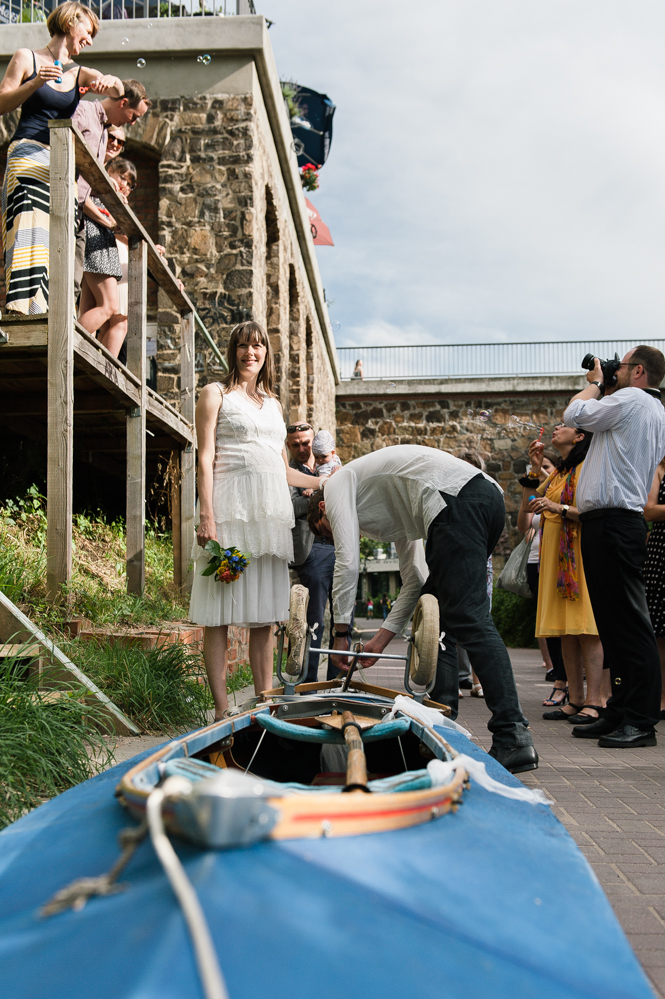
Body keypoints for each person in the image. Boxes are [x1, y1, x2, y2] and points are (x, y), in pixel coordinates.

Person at [307, 444, 537, 774]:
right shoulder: (390, 501)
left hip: (458, 500)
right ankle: (439, 730)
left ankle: (513, 735)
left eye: (327, 530)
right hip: (477, 500)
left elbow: (347, 561)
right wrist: (380, 641)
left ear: (324, 509)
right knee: (436, 618)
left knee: (468, 618)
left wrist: (340, 633)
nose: (335, 536)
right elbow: (415, 580)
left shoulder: (336, 484)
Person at [188, 322, 315, 719]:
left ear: (266, 354)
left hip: (269, 519)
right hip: (230, 515)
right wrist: (206, 514)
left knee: (264, 614)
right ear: (233, 351)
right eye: (243, 346)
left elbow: (284, 472)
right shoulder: (215, 394)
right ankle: (222, 710)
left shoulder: (275, 405)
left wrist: (325, 483)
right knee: (220, 612)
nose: (250, 353)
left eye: (257, 346)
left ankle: (265, 703)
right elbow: (204, 457)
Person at [564, 345, 665, 748]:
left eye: (620, 365)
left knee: (628, 623)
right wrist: (608, 383)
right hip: (613, 522)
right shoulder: (651, 408)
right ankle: (621, 710)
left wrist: (594, 383)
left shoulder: (633, 398)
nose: (612, 369)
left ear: (638, 371)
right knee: (614, 622)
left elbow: (576, 416)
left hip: (614, 522)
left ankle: (640, 720)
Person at [0, 1, 123, 314]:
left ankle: (53, 313)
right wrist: (36, 81)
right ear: (72, 22)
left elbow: (117, 87)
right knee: (29, 226)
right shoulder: (26, 57)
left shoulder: (78, 73)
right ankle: (22, 308)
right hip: (28, 156)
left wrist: (109, 82)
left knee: (58, 235)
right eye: (89, 31)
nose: (90, 40)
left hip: (60, 168)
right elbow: (2, 103)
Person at [520, 425, 606, 727]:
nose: (556, 427)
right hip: (557, 559)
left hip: (579, 557)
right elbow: (532, 499)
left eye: (564, 425)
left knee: (587, 628)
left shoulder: (588, 467)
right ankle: (576, 699)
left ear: (580, 436)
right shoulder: (560, 472)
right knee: (567, 631)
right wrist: (534, 468)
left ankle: (596, 701)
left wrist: (557, 506)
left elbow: (595, 511)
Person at [74, 79, 150, 334]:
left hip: (96, 233)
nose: (133, 122)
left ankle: (77, 352)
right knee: (109, 307)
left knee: (92, 305)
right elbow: (84, 193)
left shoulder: (103, 132)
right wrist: (108, 217)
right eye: (134, 115)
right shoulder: (85, 113)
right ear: (124, 102)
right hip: (91, 231)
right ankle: (70, 346)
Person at [286, 421, 343, 684]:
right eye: (295, 444)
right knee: (314, 618)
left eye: (305, 443)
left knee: (343, 618)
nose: (301, 448)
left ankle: (337, 681)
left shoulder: (333, 464)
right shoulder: (287, 471)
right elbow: (289, 505)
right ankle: (307, 683)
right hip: (312, 550)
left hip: (339, 546)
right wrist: (320, 491)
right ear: (288, 446)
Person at [517, 450, 566, 695]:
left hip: (561, 558)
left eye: (547, 466)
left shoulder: (559, 484)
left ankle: (564, 674)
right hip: (537, 561)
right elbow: (523, 525)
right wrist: (530, 484)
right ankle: (555, 669)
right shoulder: (536, 488)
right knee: (546, 618)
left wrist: (542, 473)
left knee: (562, 620)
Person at [644, 458, 665, 720]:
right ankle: (661, 696)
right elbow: (648, 510)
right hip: (661, 551)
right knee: (660, 630)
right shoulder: (659, 468)